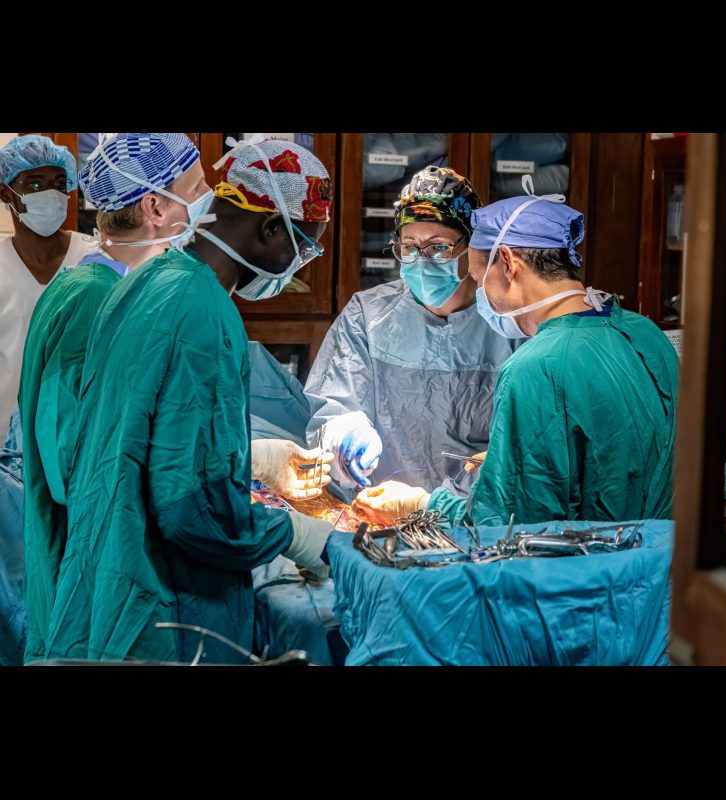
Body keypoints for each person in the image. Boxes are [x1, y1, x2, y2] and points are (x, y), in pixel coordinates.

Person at [43, 137, 335, 664]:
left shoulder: (149, 280)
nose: (303, 264)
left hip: (112, 581)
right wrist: (299, 534)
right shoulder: (203, 311)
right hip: (165, 614)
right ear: (272, 230)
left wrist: (249, 463)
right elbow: (189, 509)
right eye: (305, 246)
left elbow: (139, 442)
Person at [354, 183, 680, 527]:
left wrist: (420, 503)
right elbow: (615, 454)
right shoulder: (644, 333)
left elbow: (506, 523)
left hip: (590, 571)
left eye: (480, 281)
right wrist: (506, 461)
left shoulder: (534, 367)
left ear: (508, 262)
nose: (480, 295)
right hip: (657, 562)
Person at [18, 132, 215, 663]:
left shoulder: (113, 287)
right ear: (154, 205)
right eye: (195, 187)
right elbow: (70, 465)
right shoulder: (94, 298)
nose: (207, 197)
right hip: (89, 577)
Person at [304, 165, 523, 497]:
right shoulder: (369, 316)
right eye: (409, 246)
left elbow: (522, 447)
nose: (421, 260)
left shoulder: (508, 323)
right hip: (379, 514)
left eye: (438, 247)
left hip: (478, 520)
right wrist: (345, 437)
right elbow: (331, 405)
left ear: (472, 248)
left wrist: (438, 505)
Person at [0, 135, 96, 443]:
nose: (51, 193)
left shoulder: (94, 259)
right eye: (36, 184)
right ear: (6, 192)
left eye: (58, 183)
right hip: (7, 439)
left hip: (83, 433)